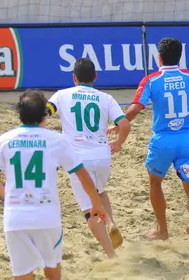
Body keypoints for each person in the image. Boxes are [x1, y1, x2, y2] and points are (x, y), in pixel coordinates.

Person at [0, 89, 106, 280]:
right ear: (45, 116)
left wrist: (11, 196)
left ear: (19, 114)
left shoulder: (4, 140)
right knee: (52, 273)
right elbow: (83, 176)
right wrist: (96, 203)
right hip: (46, 216)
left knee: (23, 275)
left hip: (15, 218)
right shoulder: (57, 141)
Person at [46, 58, 130, 258]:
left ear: (74, 78)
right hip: (102, 157)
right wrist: (118, 143)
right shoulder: (106, 98)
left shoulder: (62, 95)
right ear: (95, 77)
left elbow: (44, 113)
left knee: (89, 209)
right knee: (99, 192)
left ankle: (111, 255)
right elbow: (125, 124)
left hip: (77, 160)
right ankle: (111, 222)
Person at [109, 37, 189, 240]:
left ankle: (162, 231)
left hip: (163, 141)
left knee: (155, 183)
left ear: (159, 58)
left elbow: (135, 109)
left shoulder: (151, 80)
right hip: (187, 138)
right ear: (181, 57)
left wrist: (119, 123)